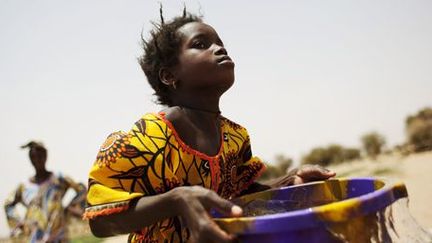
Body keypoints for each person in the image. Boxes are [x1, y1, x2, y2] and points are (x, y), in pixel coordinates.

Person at [84, 7, 336, 243]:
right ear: (169, 75)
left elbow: (241, 196)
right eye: (200, 45)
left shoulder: (235, 137)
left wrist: (289, 181)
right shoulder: (142, 140)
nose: (219, 49)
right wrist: (176, 199)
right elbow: (100, 221)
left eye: (220, 43)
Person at [4, 141, 86, 242]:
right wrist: (19, 223)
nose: (37, 160)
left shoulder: (59, 179)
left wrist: (71, 208)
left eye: (40, 156)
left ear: (46, 156)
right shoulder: (24, 187)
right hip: (35, 238)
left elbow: (82, 189)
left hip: (59, 237)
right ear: (30, 159)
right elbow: (8, 204)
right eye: (34, 157)